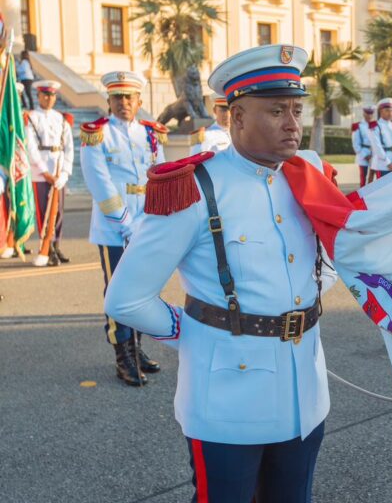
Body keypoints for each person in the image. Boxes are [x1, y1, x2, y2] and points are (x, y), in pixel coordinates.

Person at [103, 44, 338, 502]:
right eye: (276, 111)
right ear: (234, 117)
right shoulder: (192, 187)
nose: (293, 123)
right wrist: (190, 331)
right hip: (228, 396)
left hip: (305, 392)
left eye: (296, 108)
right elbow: (126, 298)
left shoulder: (308, 175)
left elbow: (327, 257)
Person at [80, 71, 167, 386]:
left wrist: (153, 221)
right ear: (109, 101)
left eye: (129, 97)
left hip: (147, 225)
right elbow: (99, 182)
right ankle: (123, 357)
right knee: (118, 291)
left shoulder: (150, 134)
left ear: (139, 101)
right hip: (114, 229)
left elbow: (161, 175)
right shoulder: (97, 134)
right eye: (118, 97)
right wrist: (126, 224)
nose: (124, 103)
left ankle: (137, 348)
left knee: (143, 289)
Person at [24, 80, 74, 266]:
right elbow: (31, 147)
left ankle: (56, 245)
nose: (49, 98)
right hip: (41, 172)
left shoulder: (61, 119)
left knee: (58, 211)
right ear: (38, 96)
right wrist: (45, 172)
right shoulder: (31, 118)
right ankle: (47, 247)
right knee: (44, 212)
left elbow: (69, 147)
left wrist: (65, 173)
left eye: (52, 95)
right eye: (45, 94)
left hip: (59, 171)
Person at [368, 97, 392, 179]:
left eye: (391, 111)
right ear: (381, 111)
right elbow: (377, 147)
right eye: (387, 111)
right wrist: (388, 163)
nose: (390, 113)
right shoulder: (376, 126)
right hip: (383, 164)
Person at [351, 105, 374, 187]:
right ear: (364, 113)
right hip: (363, 154)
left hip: (374, 154)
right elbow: (356, 144)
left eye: (371, 113)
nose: (369, 115)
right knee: (363, 178)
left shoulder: (375, 125)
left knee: (372, 178)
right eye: (367, 113)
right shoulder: (358, 126)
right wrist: (365, 156)